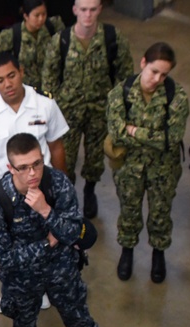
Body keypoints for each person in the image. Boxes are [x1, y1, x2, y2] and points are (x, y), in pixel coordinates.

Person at [0, 133, 127, 327]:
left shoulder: (57, 183)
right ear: (10, 168)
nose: (32, 173)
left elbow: (76, 234)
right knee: (25, 320)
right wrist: (47, 243)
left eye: (37, 163)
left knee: (76, 309)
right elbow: (5, 258)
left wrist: (45, 210)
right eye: (23, 167)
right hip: (23, 277)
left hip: (61, 266)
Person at [41, 0, 133, 219]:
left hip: (100, 112)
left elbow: (125, 76)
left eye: (93, 10)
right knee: (65, 160)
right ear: (74, 10)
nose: (88, 15)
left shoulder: (112, 37)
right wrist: (50, 112)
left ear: (100, 9)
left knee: (94, 158)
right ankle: (67, 197)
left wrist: (119, 108)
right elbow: (49, 80)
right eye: (83, 10)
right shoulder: (60, 41)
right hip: (67, 114)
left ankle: (90, 190)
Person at [106, 42, 189, 283]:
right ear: (143, 63)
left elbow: (171, 140)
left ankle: (159, 253)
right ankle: (127, 251)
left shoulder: (176, 96)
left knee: (160, 213)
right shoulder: (120, 93)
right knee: (129, 210)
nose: (157, 79)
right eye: (153, 71)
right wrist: (148, 136)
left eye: (164, 74)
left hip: (163, 170)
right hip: (129, 168)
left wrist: (133, 130)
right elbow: (116, 132)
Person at [0, 51, 69, 227]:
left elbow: (56, 147)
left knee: (51, 237)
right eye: (0, 80)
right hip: (3, 193)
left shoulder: (45, 103)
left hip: (42, 185)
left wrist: (64, 190)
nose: (8, 84)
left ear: (21, 71)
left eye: (12, 75)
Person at [0, 0, 65, 90]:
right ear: (26, 16)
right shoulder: (14, 34)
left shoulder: (52, 26)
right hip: (26, 88)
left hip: (50, 85)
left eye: (44, 14)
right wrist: (9, 65)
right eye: (36, 15)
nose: (41, 19)